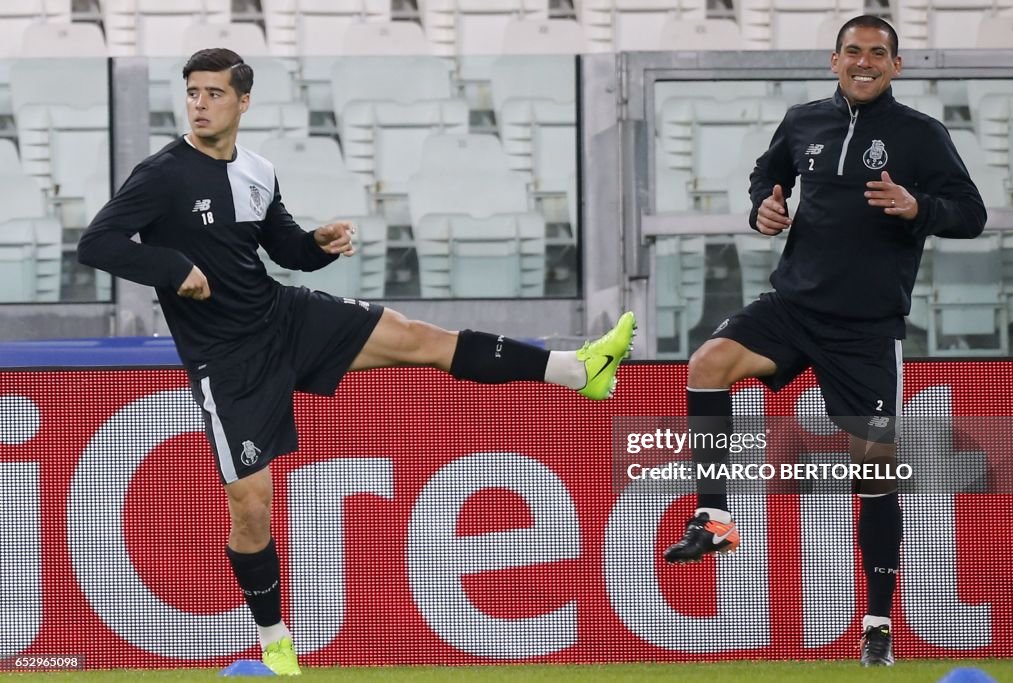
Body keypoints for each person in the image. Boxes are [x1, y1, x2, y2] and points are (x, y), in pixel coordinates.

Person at [77, 48, 636, 676]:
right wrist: (173, 268)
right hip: (227, 358)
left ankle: (578, 369)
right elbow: (95, 242)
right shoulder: (161, 175)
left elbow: (282, 247)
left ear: (243, 101)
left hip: (283, 316)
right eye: (192, 93)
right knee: (251, 507)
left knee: (419, 336)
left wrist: (317, 244)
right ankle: (276, 646)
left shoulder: (257, 169)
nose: (200, 104)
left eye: (213, 93)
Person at [661, 15, 985, 667]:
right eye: (853, 51)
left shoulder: (922, 137)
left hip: (866, 330)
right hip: (795, 306)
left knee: (873, 474)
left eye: (878, 53)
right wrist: (764, 209)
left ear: (897, 65)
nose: (864, 62)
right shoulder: (804, 120)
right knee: (708, 362)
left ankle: (876, 626)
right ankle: (715, 519)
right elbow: (766, 177)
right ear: (833, 59)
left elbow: (971, 214)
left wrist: (918, 207)